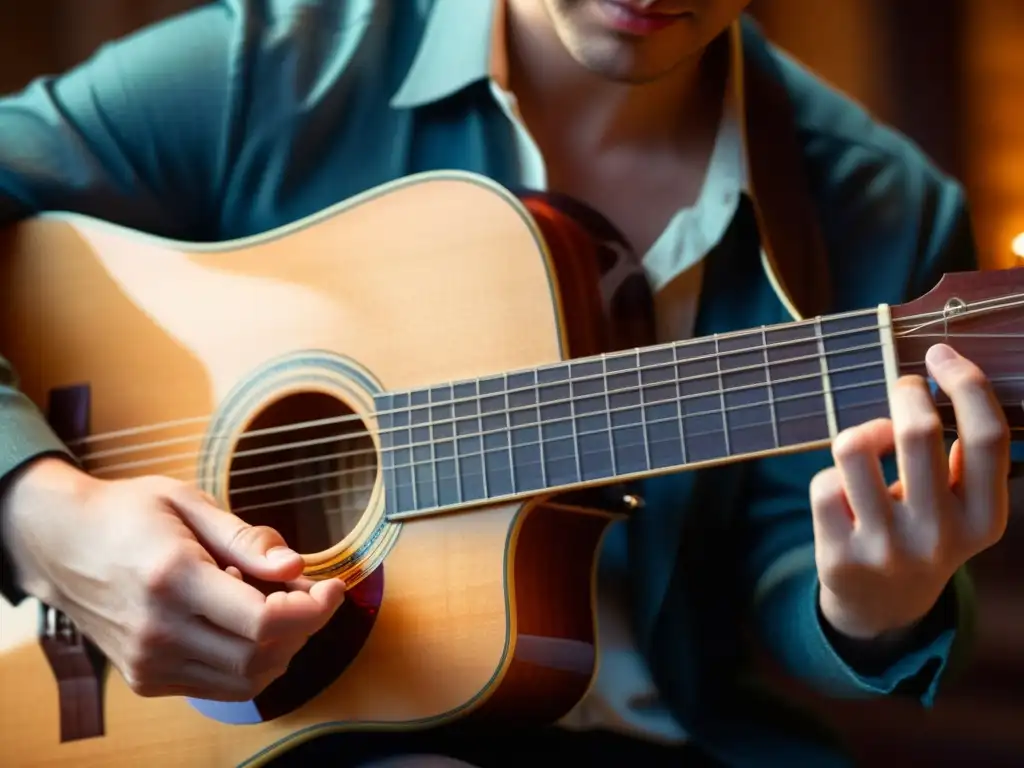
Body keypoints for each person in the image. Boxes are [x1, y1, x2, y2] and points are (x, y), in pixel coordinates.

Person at [0, 0, 1011, 766]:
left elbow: (792, 566)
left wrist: (871, 604)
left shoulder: (881, 204)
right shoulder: (272, 68)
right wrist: (45, 512)